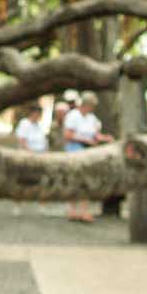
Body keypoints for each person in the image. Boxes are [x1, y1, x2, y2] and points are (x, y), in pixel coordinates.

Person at [62, 92, 107, 222]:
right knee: (75, 180)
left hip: (88, 152)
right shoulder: (73, 116)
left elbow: (95, 135)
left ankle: (84, 210)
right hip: (75, 150)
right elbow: (68, 135)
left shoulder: (91, 118)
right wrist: (85, 140)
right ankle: (72, 209)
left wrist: (105, 138)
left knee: (86, 181)